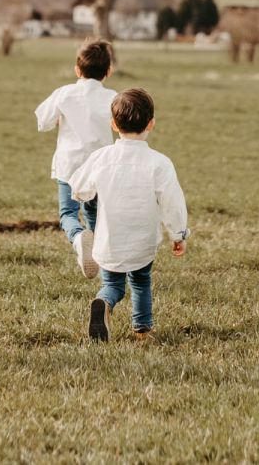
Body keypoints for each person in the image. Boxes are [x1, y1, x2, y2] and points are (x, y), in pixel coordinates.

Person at [68, 88, 189, 342]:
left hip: (109, 241)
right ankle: (142, 330)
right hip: (142, 241)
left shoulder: (101, 157)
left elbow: (78, 187)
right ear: (151, 124)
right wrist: (178, 234)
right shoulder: (159, 162)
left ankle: (104, 302)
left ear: (113, 124)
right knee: (141, 281)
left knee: (113, 285)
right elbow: (172, 203)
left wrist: (83, 196)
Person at [35, 39, 116, 278]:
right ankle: (105, 274)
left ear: (77, 70)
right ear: (108, 72)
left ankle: (78, 238)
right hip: (100, 167)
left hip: (69, 166)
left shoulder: (64, 93)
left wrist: (60, 119)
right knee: (94, 216)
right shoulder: (113, 97)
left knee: (68, 214)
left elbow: (43, 122)